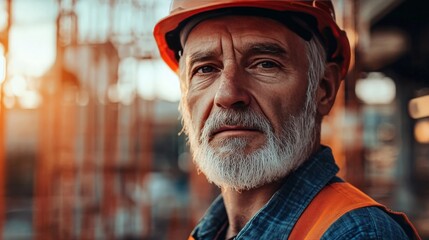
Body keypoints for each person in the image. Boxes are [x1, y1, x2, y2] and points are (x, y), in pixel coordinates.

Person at [153, 1, 421, 239]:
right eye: (205, 69)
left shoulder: (357, 234)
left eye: (265, 64)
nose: (228, 94)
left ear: (323, 89)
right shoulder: (213, 231)